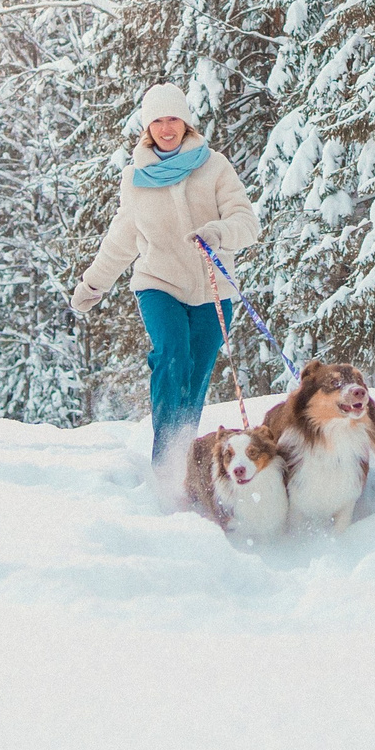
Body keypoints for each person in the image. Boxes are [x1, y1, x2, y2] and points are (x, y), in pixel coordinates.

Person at [69, 82, 261, 470]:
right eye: (157, 121)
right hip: (158, 284)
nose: (166, 128)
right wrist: (94, 283)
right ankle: (166, 466)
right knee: (172, 355)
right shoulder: (136, 178)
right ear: (147, 127)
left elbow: (247, 223)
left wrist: (218, 232)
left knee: (196, 374)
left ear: (186, 122)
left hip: (212, 289)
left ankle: (184, 459)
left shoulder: (214, 166)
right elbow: (123, 236)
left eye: (173, 118)